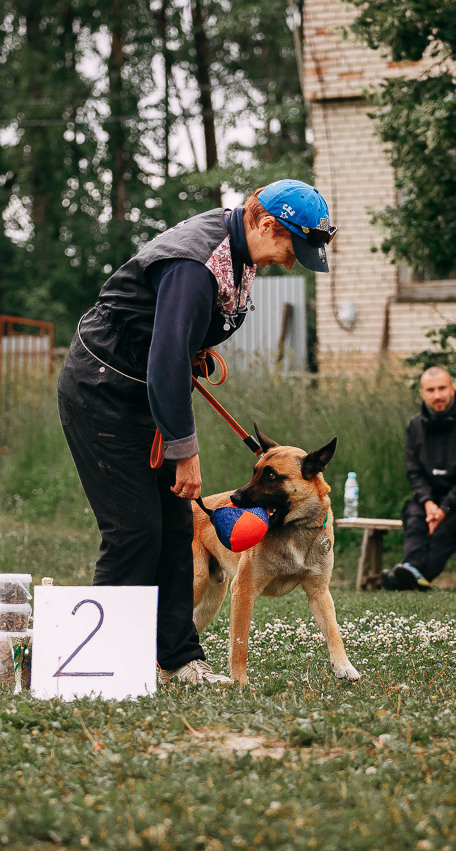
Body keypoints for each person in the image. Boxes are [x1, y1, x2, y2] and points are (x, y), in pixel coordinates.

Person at [57, 179, 336, 684]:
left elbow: (173, 344)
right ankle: (95, 671)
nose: (294, 260)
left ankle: (180, 660)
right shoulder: (195, 264)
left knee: (175, 527)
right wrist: (186, 451)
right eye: (293, 247)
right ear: (265, 223)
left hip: (143, 395)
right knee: (134, 530)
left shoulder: (239, 252)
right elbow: (164, 359)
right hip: (102, 392)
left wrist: (196, 352)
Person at [381, 367, 456, 591]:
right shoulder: (415, 426)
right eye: (431, 390)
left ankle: (411, 577)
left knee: (446, 530)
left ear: (452, 389)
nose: (437, 395)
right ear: (422, 393)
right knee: (414, 519)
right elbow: (414, 472)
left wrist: (445, 509)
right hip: (431, 498)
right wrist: (428, 503)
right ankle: (412, 572)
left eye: (442, 388)